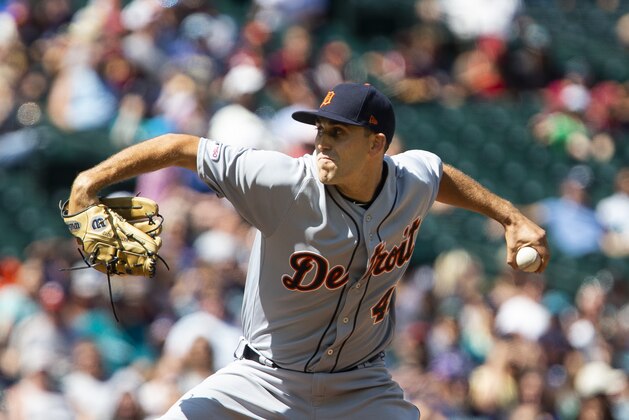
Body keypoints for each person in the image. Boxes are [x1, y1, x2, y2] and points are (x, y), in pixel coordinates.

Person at [66, 82, 549, 419]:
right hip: (263, 382)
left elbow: (438, 175)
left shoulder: (411, 178)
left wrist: (510, 216)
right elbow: (179, 146)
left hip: (361, 388)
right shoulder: (281, 182)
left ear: (377, 144)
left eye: (338, 133)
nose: (322, 143)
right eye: (320, 130)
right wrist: (91, 179)